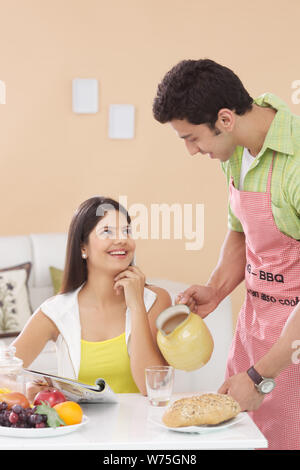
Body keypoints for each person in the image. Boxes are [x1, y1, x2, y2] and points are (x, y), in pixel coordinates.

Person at [153, 59, 300, 450]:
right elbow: (241, 232)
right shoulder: (235, 152)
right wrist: (216, 290)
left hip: (293, 342)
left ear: (225, 118)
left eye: (192, 138)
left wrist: (259, 378)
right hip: (254, 327)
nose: (190, 151)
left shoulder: (297, 164)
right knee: (238, 440)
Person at [11, 196, 171, 395]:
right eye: (107, 231)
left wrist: (136, 306)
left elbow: (154, 389)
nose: (121, 239)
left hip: (145, 426)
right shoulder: (55, 312)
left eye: (126, 231)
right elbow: (5, 371)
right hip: (83, 425)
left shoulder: (156, 300)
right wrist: (30, 389)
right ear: (82, 247)